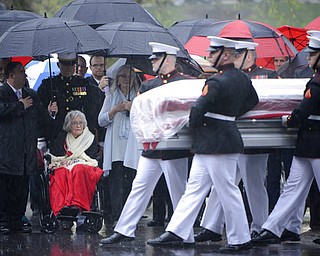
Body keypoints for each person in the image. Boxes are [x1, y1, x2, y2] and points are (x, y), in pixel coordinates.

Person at [147, 37, 259, 252]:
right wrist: (230, 115)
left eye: (212, 52)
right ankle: (177, 231)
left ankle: (241, 238)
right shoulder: (242, 78)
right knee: (194, 189)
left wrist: (197, 126)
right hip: (219, 140)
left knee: (227, 189)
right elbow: (252, 101)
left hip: (215, 142)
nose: (209, 56)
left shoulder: (217, 82)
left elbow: (197, 110)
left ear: (225, 55)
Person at [99, 42, 194, 245]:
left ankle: (185, 235)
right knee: (139, 187)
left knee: (178, 190)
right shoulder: (149, 85)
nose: (152, 63)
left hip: (174, 145)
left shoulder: (184, 83)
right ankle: (124, 229)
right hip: (152, 145)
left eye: (156, 59)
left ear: (168, 59)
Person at [193, 40, 270, 243]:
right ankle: (212, 227)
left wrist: (230, 115)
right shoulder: (236, 77)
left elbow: (253, 101)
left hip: (231, 138)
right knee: (221, 187)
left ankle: (254, 229)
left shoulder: (259, 75)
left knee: (247, 185)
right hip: (229, 136)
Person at [252, 31, 320, 245]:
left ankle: (275, 228)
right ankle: (275, 228)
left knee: (294, 187)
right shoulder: (315, 79)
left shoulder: (317, 82)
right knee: (292, 187)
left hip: (315, 142)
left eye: (312, 54)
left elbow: (303, 110)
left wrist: (289, 120)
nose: (308, 57)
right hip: (308, 144)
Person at [0, 62, 57, 234]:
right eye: (20, 72)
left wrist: (50, 113)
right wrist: (19, 106)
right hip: (7, 150)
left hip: (27, 150)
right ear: (10, 76)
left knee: (21, 187)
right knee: (6, 187)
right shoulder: (2, 93)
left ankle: (17, 219)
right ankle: (4, 219)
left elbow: (40, 119)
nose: (24, 75)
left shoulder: (31, 94)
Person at [98, 64, 140, 221]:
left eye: (130, 77)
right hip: (116, 147)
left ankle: (130, 215)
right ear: (118, 79)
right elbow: (101, 120)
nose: (126, 80)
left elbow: (145, 119)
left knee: (131, 181)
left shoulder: (139, 96)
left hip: (132, 146)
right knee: (116, 182)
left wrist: (133, 108)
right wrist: (115, 109)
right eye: (123, 76)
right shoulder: (111, 96)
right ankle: (117, 214)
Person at [37, 52, 103, 148]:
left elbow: (94, 110)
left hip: (80, 135)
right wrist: (49, 114)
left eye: (72, 64)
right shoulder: (48, 85)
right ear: (58, 65)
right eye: (65, 64)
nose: (68, 67)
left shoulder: (84, 84)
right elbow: (39, 113)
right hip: (57, 135)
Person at [48, 110, 103, 219]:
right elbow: (57, 155)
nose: (78, 125)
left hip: (86, 166)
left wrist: (73, 160)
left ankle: (78, 204)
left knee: (78, 169)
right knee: (60, 173)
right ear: (69, 125)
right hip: (65, 165)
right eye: (74, 123)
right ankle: (62, 207)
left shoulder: (90, 139)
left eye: (80, 123)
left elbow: (92, 158)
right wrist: (63, 161)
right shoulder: (63, 138)